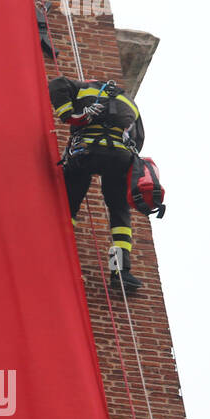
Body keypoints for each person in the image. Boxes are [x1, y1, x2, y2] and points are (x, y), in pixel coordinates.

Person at [48, 75, 144, 293]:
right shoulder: (130, 103)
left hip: (85, 154)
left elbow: (56, 84)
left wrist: (67, 113)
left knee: (70, 204)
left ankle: (60, 255)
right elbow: (138, 140)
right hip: (119, 159)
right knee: (119, 213)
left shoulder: (82, 88)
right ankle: (120, 271)